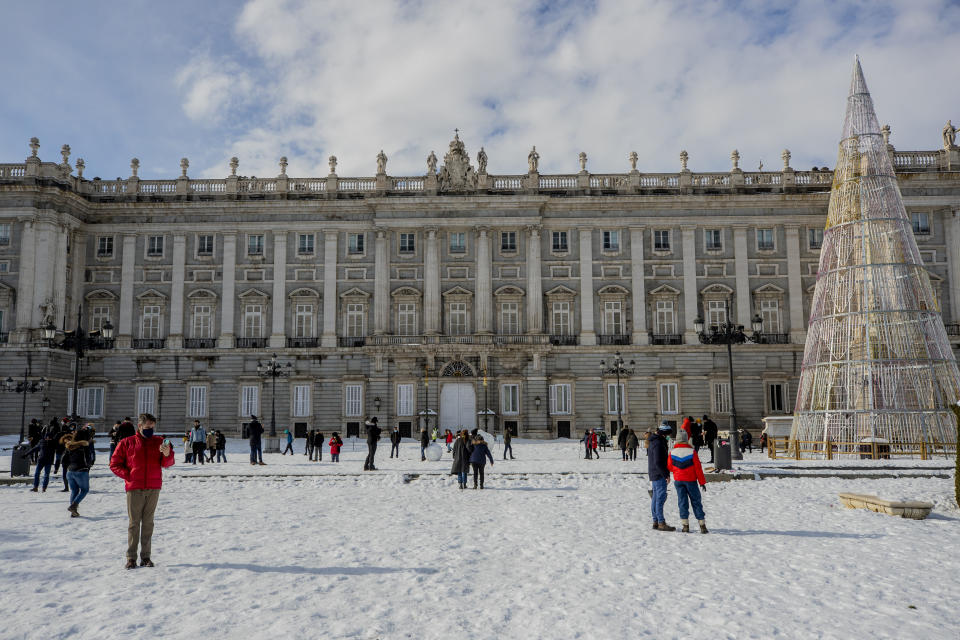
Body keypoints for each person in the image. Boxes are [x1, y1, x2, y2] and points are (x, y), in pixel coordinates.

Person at [109, 412, 175, 569]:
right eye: (147, 427)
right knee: (134, 524)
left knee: (148, 523)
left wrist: (167, 454)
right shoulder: (127, 442)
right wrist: (129, 475)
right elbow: (114, 464)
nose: (150, 429)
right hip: (134, 488)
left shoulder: (159, 442)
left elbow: (167, 463)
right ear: (139, 426)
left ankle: (146, 557)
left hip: (153, 487)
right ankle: (131, 557)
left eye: (152, 427)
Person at [667, 429, 708, 534]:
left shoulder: (672, 452)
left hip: (679, 480)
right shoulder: (692, 452)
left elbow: (670, 467)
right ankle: (702, 524)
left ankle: (685, 525)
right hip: (691, 481)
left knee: (682, 502)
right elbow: (698, 468)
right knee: (696, 501)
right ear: (686, 439)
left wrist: (678, 470)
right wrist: (702, 482)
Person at [648, 423, 676, 531]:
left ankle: (655, 521)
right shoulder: (659, 443)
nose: (669, 436)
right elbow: (658, 462)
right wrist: (666, 475)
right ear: (664, 434)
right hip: (659, 474)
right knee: (659, 499)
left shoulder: (654, 441)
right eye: (668, 434)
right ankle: (661, 522)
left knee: (655, 499)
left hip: (654, 473)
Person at [63, 427, 94, 517]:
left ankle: (74, 511)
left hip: (70, 471)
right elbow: (89, 459)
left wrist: (69, 466)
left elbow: (64, 460)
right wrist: (88, 467)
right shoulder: (84, 446)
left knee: (74, 490)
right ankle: (74, 506)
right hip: (81, 471)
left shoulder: (69, 446)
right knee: (85, 490)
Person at [24, 425, 58, 492]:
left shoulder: (54, 443)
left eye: (49, 437)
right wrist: (26, 454)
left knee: (46, 475)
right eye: (46, 437)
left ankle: (44, 488)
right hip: (41, 460)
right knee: (36, 474)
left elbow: (60, 449)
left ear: (51, 438)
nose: (47, 438)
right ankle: (35, 487)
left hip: (48, 461)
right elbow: (34, 448)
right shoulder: (41, 441)